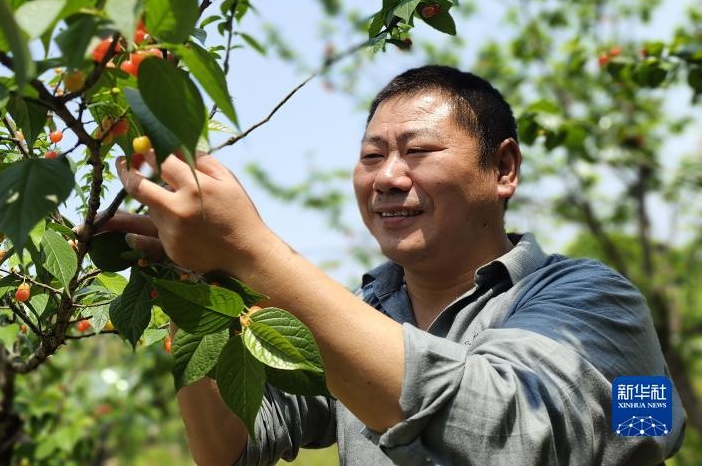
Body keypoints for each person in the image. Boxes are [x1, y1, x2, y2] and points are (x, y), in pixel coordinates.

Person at [112, 65, 687, 465]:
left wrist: (249, 250)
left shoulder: (594, 300)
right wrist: (192, 281)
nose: (387, 177)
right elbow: (229, 448)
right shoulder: (360, 316)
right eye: (371, 156)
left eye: (418, 151)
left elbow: (511, 444)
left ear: (503, 168)